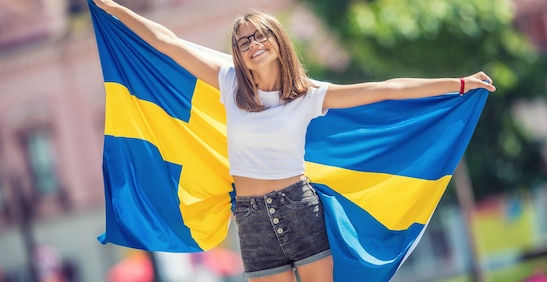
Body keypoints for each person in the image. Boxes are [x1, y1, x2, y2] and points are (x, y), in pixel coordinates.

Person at [92, 1, 496, 281]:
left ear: (277, 40)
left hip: (299, 211)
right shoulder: (229, 81)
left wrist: (458, 84)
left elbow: (383, 89)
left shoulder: (306, 96)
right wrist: (111, 6)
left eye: (259, 36)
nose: (252, 45)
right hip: (249, 219)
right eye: (243, 42)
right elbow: (168, 41)